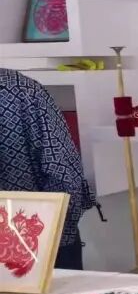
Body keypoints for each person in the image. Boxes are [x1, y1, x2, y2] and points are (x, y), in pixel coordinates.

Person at [0, 68, 97, 269]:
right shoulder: (21, 89)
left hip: (31, 239)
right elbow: (64, 174)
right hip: (33, 240)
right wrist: (60, 237)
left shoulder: (20, 89)